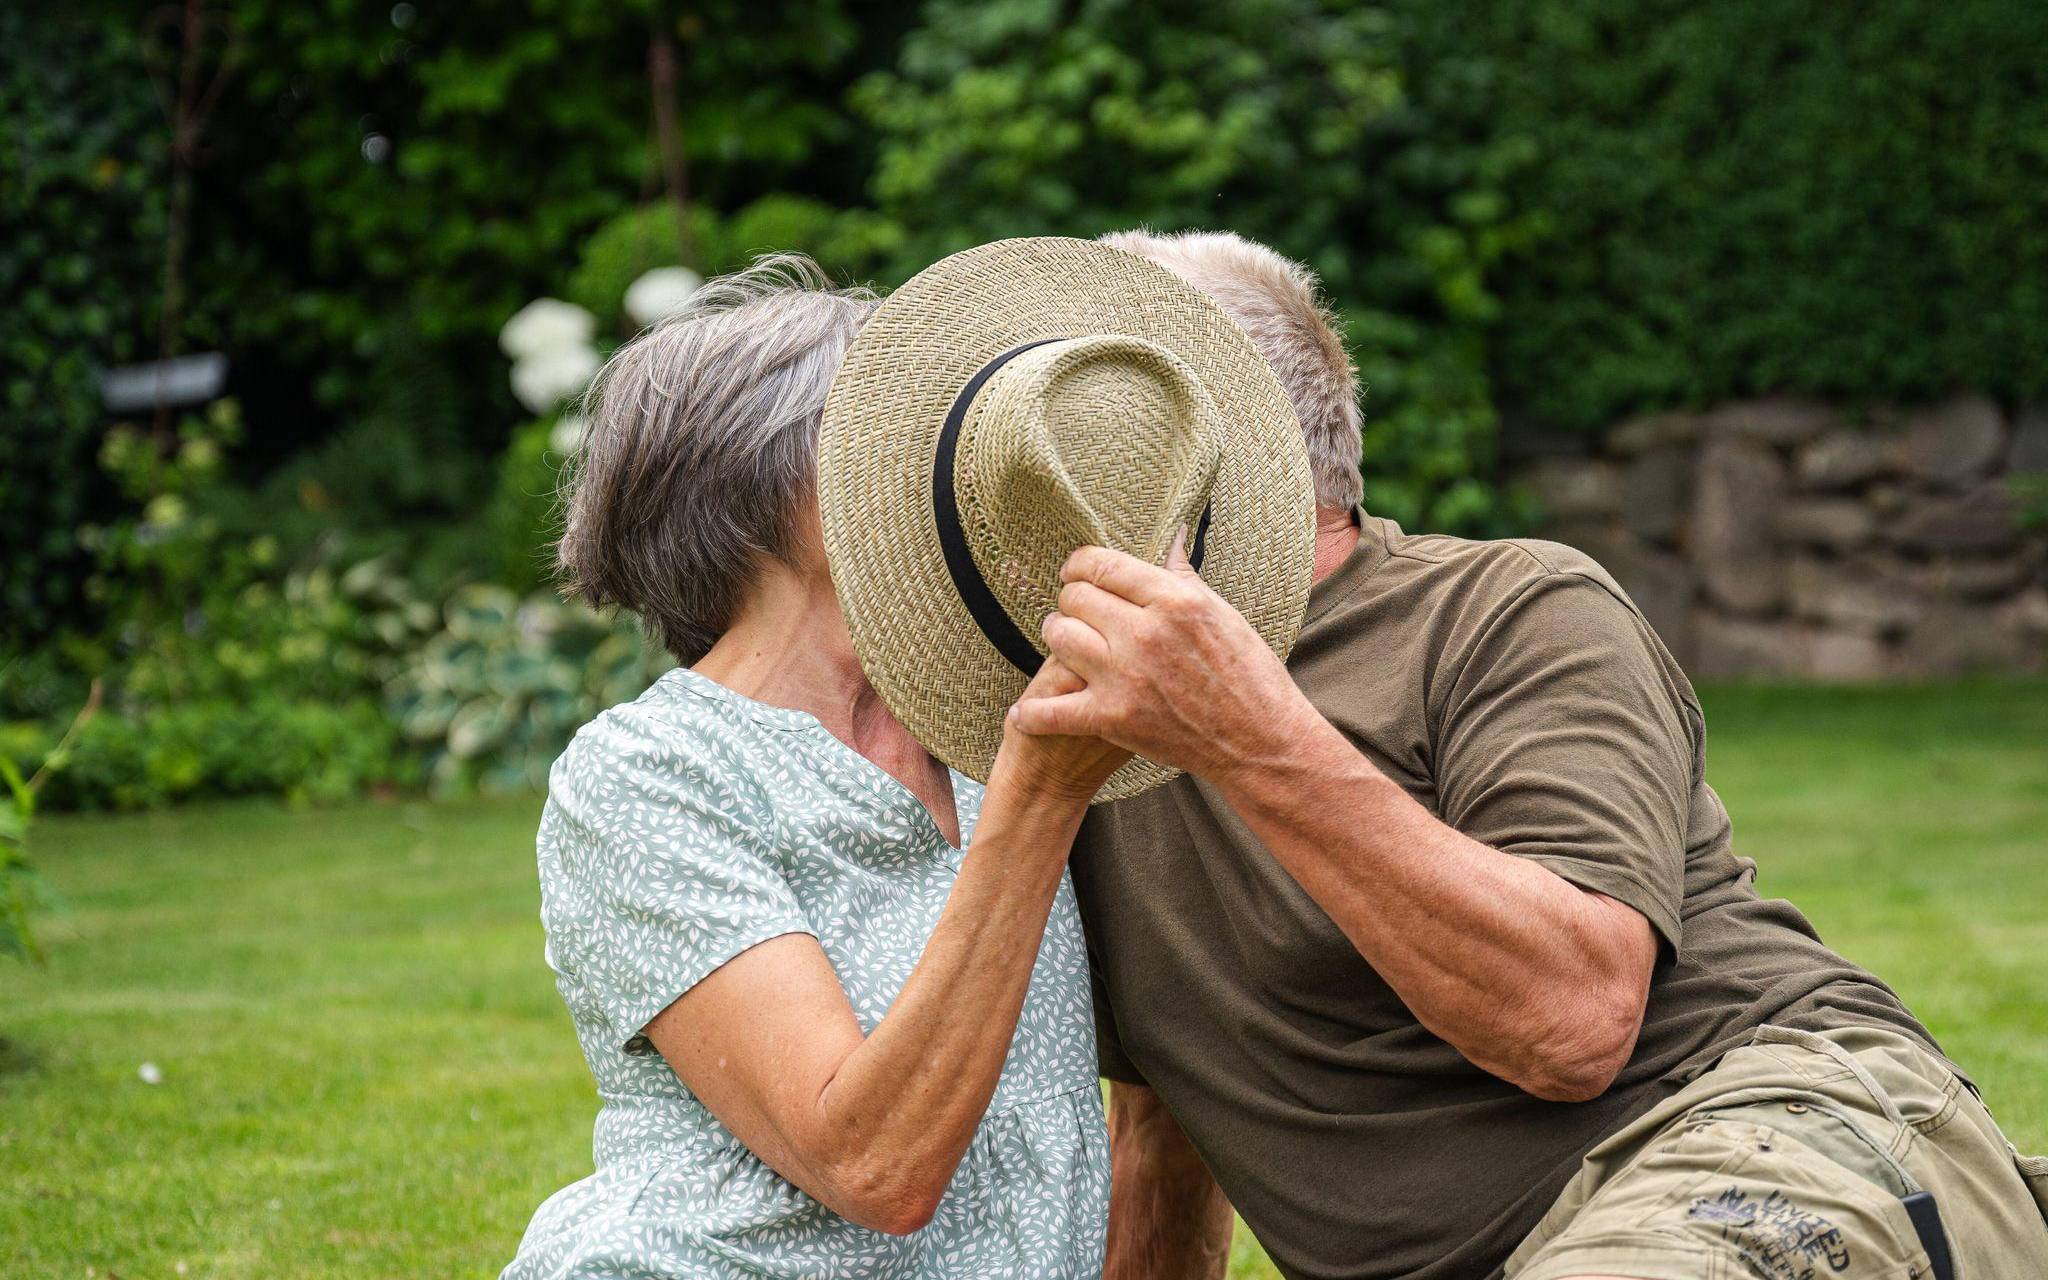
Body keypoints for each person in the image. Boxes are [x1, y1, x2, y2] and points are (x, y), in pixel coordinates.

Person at [1011, 228, 2048, 1280]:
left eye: (1090, 433)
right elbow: (1168, 1136)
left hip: (1758, 1127)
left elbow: (1572, 1018)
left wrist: (1245, 735)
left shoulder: (1508, 608)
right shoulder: (1099, 746)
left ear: (1206, 449)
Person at [497, 256, 1127, 1280]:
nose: (949, 453)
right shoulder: (648, 774)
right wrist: (1042, 790)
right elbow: (872, 1163)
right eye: (895, 423)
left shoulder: (986, 721)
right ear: (772, 482)